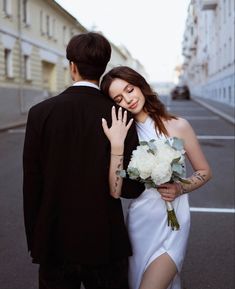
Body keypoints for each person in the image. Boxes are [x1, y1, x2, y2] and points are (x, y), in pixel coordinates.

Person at [23, 34, 144, 289]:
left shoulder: (39, 113)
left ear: (72, 67)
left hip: (54, 241)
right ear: (103, 69)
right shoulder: (120, 114)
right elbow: (132, 188)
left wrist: (36, 239)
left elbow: (32, 183)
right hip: (106, 242)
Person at [101, 66, 212, 289]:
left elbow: (205, 172)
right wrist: (117, 144)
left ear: (140, 85)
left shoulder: (178, 125)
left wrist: (180, 188)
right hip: (141, 222)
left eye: (130, 89)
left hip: (174, 223)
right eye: (119, 98)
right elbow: (115, 189)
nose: (128, 100)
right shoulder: (125, 135)